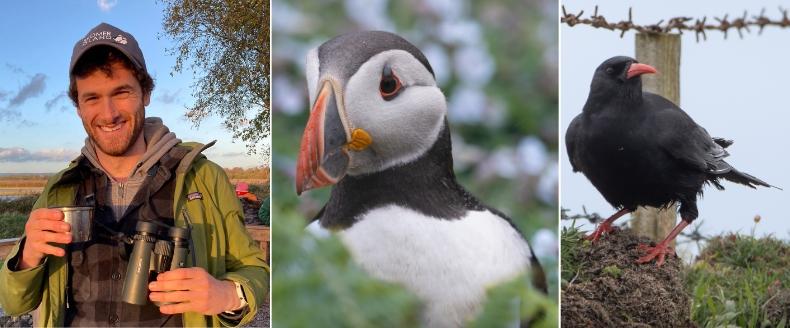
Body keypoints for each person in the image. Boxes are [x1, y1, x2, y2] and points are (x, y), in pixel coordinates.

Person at [0, 22, 268, 327]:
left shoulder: (204, 179)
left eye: (122, 92)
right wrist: (27, 257)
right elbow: (13, 302)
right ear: (78, 108)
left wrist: (226, 294)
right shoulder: (60, 190)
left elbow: (255, 270)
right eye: (92, 98)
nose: (109, 112)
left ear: (146, 93)